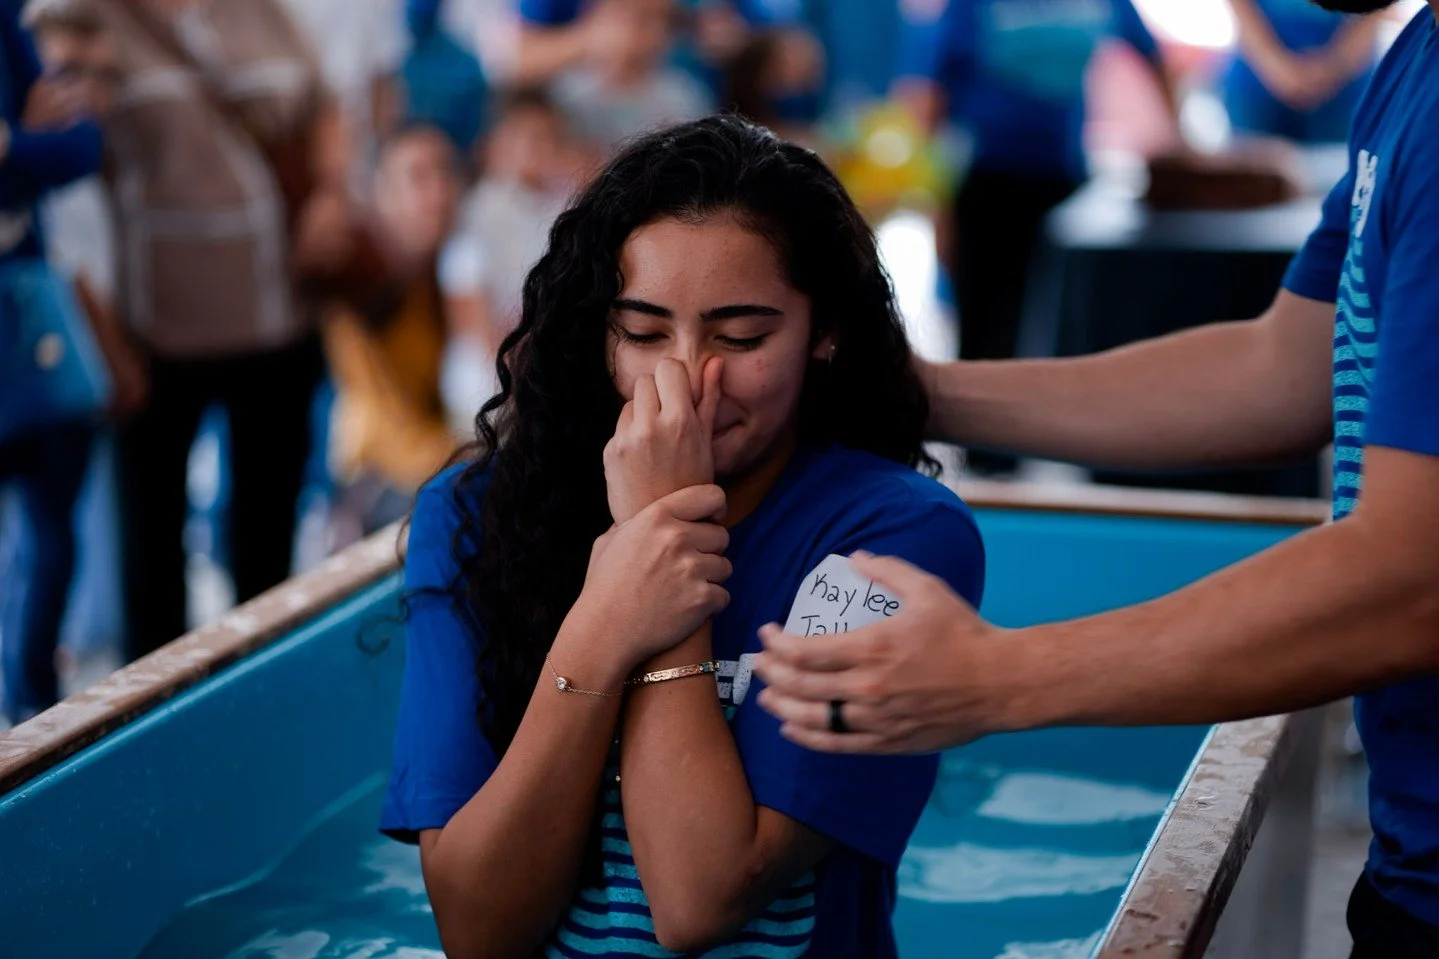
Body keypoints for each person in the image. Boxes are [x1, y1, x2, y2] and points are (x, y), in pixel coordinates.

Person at [756, 2, 1439, 956]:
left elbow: (1414, 574)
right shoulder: (1416, 63)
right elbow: (1280, 367)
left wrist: (996, 675)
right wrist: (907, 392)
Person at [380, 115, 985, 958]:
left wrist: (663, 529)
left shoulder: (895, 539)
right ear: (597, 331)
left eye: (742, 337)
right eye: (643, 332)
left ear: (826, 331)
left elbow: (700, 900)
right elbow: (477, 932)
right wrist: (603, 619)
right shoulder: (477, 515)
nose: (687, 379)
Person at [68, 0, 356, 660]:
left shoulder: (260, 11)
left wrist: (332, 196)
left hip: (280, 315)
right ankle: (152, 731)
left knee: (268, 550)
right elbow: (74, 191)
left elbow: (322, 105)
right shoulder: (87, 19)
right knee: (152, 564)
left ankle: (262, 696)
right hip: (155, 335)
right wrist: (105, 334)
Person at [893, 0, 1177, 475]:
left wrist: (1179, 140)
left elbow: (1154, 55)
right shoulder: (970, 7)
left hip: (1068, 184)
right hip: (987, 182)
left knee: (1067, 326)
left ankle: (1072, 454)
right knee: (990, 329)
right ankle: (990, 466)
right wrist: (933, 203)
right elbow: (924, 100)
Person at [0, 1, 104, 724]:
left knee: (52, 516)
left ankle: (32, 692)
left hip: (26, 314)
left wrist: (14, 149)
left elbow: (80, 144)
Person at [321, 124, 463, 540]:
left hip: (437, 458)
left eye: (447, 173)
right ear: (379, 194)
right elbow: (392, 436)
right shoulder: (357, 283)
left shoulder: (445, 273)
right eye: (418, 177)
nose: (438, 193)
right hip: (378, 483)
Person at [438, 86, 578, 425]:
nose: (540, 149)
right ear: (496, 144)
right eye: (528, 138)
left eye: (549, 137)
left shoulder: (565, 204)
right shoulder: (476, 211)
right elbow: (470, 314)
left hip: (549, 360)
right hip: (492, 374)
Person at [547, 0, 712, 151]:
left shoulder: (683, 97)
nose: (632, 27)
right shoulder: (565, 91)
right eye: (621, 13)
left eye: (649, 19)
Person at [1224, 0, 1379, 144]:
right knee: (1256, 168)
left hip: (1346, 88)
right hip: (1257, 82)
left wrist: (1336, 65)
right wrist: (1275, 65)